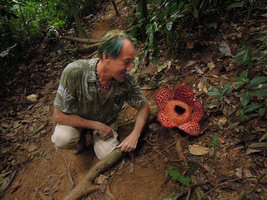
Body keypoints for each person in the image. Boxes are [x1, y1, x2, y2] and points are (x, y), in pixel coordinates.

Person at [51, 30, 150, 160]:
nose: (130, 68)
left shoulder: (127, 79)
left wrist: (135, 135)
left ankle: (93, 136)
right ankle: (79, 139)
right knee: (62, 138)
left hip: (106, 122)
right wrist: (96, 125)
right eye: (126, 62)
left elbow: (144, 107)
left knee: (108, 154)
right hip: (78, 120)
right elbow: (58, 116)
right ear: (106, 56)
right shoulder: (74, 72)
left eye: (131, 62)